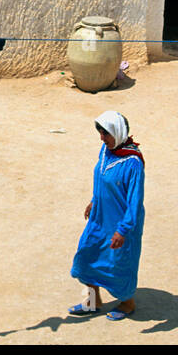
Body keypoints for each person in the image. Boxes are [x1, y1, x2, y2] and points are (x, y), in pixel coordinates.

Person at [69, 110, 144, 320]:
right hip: (100, 217)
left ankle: (127, 303)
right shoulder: (106, 151)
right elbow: (101, 176)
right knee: (87, 254)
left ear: (118, 133)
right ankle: (94, 301)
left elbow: (135, 202)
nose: (102, 138)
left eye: (106, 133)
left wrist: (123, 230)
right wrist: (95, 200)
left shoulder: (133, 163)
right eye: (100, 133)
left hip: (122, 223)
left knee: (119, 264)